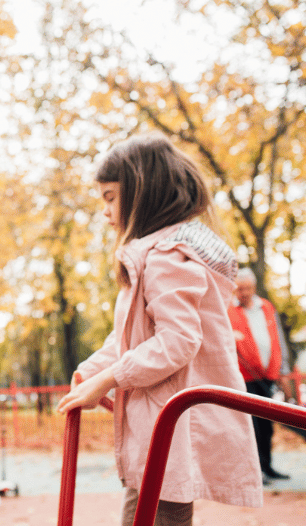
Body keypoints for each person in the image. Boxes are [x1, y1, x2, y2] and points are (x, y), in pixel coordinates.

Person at [57, 133, 262, 526]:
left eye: (110, 197)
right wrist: (92, 370)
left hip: (172, 425)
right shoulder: (155, 255)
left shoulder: (168, 258)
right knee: (138, 514)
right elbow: (130, 340)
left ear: (141, 194)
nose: (104, 211)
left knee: (163, 516)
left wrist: (108, 380)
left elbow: (178, 341)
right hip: (157, 426)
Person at [228, 267, 293, 484]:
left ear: (253, 287)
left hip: (268, 374)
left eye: (246, 288)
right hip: (245, 375)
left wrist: (283, 369)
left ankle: (267, 466)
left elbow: (278, 338)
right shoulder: (229, 310)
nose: (243, 293)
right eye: (239, 288)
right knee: (251, 425)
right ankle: (255, 472)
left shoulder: (266, 307)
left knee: (266, 425)